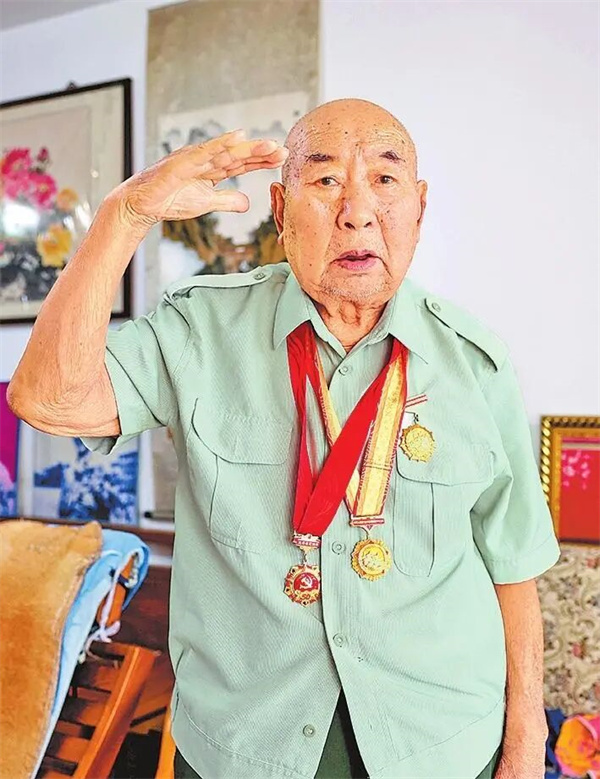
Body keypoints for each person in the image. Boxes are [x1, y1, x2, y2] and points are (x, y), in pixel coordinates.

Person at [8, 98, 560, 779]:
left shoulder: (474, 361)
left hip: (441, 744)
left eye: (384, 180)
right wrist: (125, 216)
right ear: (279, 208)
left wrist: (526, 736)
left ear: (418, 208)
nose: (357, 212)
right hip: (248, 747)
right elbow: (48, 400)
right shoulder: (200, 331)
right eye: (325, 180)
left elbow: (512, 561)